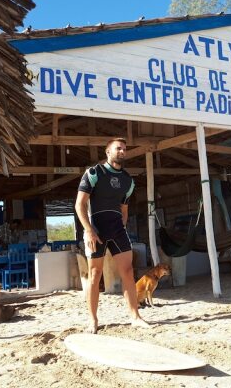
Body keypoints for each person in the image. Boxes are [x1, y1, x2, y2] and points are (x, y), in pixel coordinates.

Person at [75, 137, 150, 334]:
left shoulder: (128, 181)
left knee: (128, 272)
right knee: (95, 274)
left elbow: (124, 208)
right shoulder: (93, 173)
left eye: (125, 149)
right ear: (108, 152)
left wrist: (122, 226)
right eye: (118, 148)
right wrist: (89, 230)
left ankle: (135, 316)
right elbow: (80, 204)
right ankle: (92, 320)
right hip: (96, 230)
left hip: (117, 230)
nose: (122, 152)